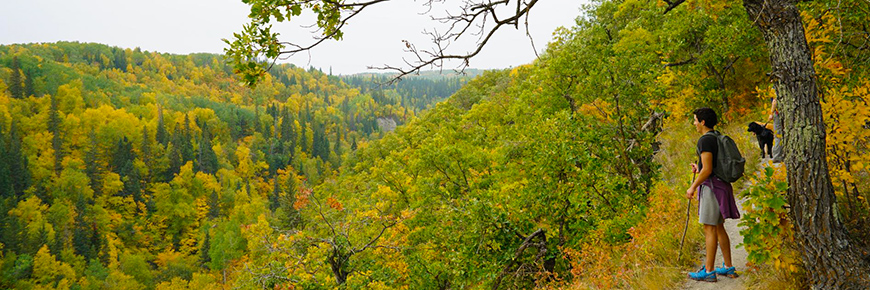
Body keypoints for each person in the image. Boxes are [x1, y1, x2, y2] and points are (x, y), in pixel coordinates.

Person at [686, 108, 741, 282]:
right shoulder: (716, 136)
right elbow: (710, 165)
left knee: (709, 228)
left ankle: (709, 271)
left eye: (695, 120)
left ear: (702, 122)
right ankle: (728, 267)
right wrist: (699, 168)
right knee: (718, 226)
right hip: (721, 186)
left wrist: (692, 187)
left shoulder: (705, 140)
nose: (694, 123)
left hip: (712, 188)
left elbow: (708, 170)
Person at [769, 95, 783, 163]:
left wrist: (771, 113)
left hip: (777, 113)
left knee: (778, 136)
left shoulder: (774, 88)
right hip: (779, 113)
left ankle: (776, 157)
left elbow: (774, 102)